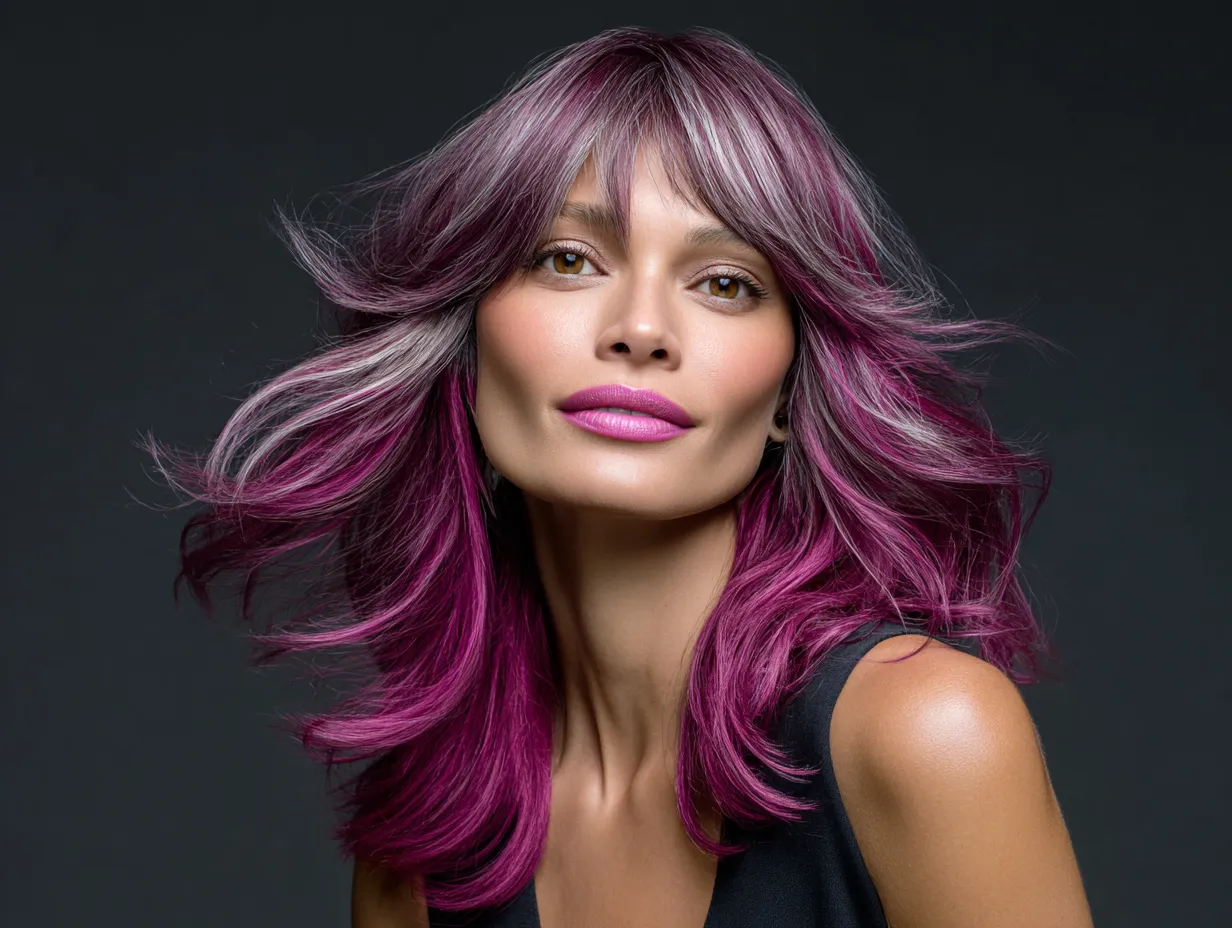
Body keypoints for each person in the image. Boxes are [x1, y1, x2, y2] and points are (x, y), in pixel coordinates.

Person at [150, 25, 1094, 928]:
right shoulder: (425, 847)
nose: (640, 327)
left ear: (789, 394)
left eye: (725, 281)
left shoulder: (924, 733)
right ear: (466, 345)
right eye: (569, 259)